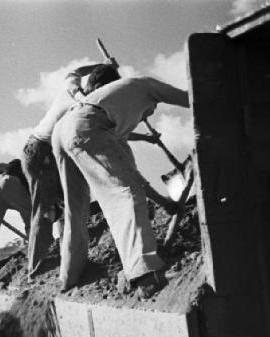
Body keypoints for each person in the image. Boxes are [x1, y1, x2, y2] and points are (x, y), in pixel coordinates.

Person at [51, 71, 189, 297]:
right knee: (126, 195)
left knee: (76, 209)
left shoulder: (117, 116)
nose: (150, 114)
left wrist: (163, 202)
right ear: (154, 100)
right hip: (84, 124)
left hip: (62, 130)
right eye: (152, 109)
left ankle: (68, 276)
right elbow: (189, 98)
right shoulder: (145, 85)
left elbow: (132, 174)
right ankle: (145, 275)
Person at [20, 60, 120, 281]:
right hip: (41, 153)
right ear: (100, 88)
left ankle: (68, 256)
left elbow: (73, 71)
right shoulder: (84, 106)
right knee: (44, 211)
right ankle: (35, 270)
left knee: (65, 203)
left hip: (41, 151)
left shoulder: (71, 87)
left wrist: (103, 64)